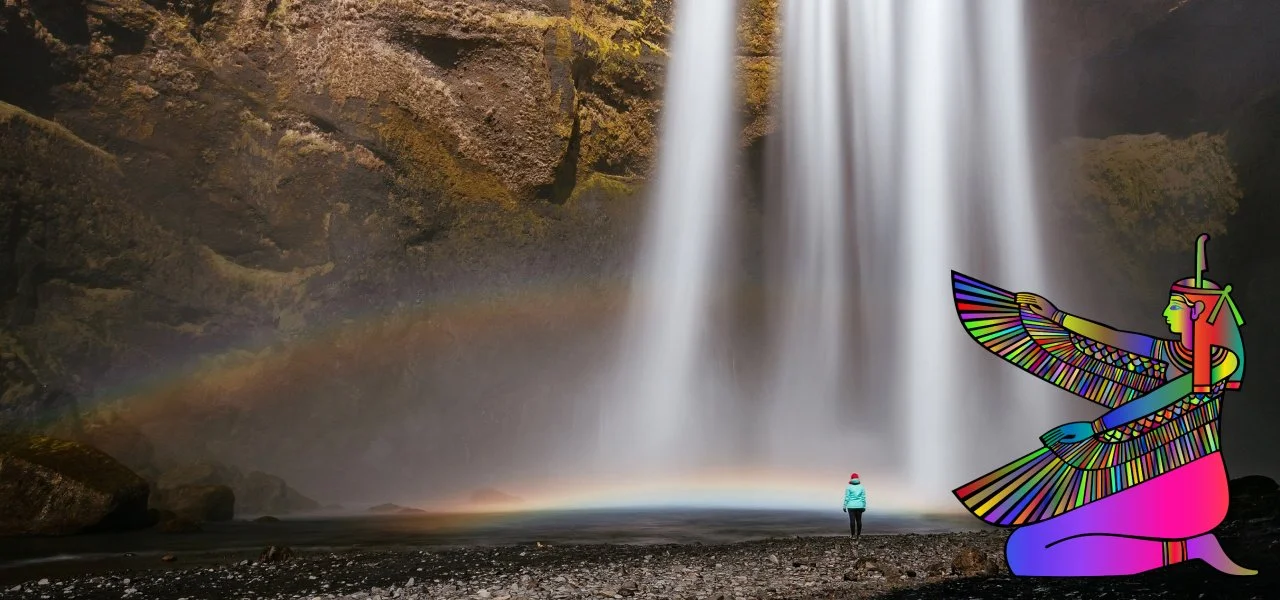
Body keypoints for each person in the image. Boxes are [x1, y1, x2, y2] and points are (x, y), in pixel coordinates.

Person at [950, 233, 1253, 576]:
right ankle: (1184, 548)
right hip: (1150, 477)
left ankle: (1189, 548)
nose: (1165, 311)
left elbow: (1163, 399)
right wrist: (1058, 317)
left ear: (1197, 312)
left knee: (1031, 553)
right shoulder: (1168, 354)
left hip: (1193, 491)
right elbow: (1114, 339)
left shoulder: (1220, 362)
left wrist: (1096, 428)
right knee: (1025, 550)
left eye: (1175, 306)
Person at [842, 473, 866, 539]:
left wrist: (844, 506)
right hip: (860, 506)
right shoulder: (861, 487)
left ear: (851, 479)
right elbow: (863, 497)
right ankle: (859, 535)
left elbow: (847, 497)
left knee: (852, 521)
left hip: (851, 506)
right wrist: (864, 506)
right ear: (858, 478)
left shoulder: (848, 487)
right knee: (859, 520)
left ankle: (853, 535)